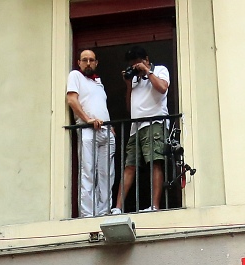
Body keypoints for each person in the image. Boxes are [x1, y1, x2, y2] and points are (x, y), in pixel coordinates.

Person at [112, 46, 171, 214]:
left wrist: (147, 71)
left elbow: (162, 88)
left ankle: (155, 205)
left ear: (146, 59)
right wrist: (129, 85)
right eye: (132, 64)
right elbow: (130, 108)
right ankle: (118, 208)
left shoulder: (159, 70)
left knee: (154, 162)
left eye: (137, 63)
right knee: (129, 166)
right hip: (135, 127)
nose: (135, 67)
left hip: (154, 123)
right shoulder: (135, 79)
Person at [66, 50, 114, 218]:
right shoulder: (75, 76)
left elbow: (100, 105)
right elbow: (72, 100)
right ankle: (88, 214)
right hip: (88, 129)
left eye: (91, 60)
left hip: (105, 131)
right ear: (79, 62)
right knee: (88, 171)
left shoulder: (98, 84)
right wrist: (87, 119)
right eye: (84, 60)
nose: (88, 63)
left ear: (96, 63)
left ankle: (104, 211)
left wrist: (111, 127)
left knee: (106, 174)